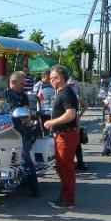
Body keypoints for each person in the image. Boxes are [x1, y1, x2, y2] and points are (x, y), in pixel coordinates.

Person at [43, 66, 79, 210]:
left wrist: (52, 122)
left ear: (58, 78)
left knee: (65, 167)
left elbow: (71, 114)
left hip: (66, 135)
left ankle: (68, 200)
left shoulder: (66, 93)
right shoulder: (62, 92)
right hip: (62, 134)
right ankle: (64, 196)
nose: (50, 80)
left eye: (52, 78)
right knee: (61, 167)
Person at [6, 71, 40, 197]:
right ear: (13, 82)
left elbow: (26, 113)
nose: (23, 86)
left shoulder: (23, 96)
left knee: (25, 157)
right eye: (21, 84)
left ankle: (34, 188)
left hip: (18, 130)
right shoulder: (2, 93)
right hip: (2, 129)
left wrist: (27, 117)